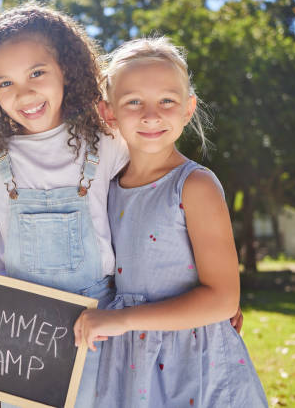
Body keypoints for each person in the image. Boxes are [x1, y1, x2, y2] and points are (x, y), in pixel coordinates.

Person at [73, 37, 267, 407]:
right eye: (133, 102)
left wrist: (124, 320)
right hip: (131, 363)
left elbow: (224, 299)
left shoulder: (194, 185)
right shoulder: (106, 188)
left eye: (167, 101)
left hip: (193, 364)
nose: (151, 114)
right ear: (107, 112)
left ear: (188, 108)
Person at [0, 2, 129, 407]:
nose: (24, 93)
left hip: (98, 317)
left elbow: (150, 201)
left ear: (66, 71)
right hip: (23, 328)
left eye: (37, 73)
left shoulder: (108, 140)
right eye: (5, 83)